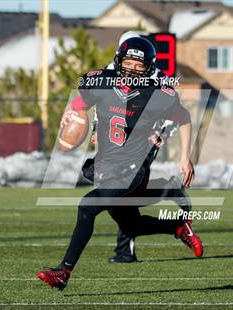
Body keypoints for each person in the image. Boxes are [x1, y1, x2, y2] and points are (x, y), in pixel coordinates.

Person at [37, 37, 203, 291]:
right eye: (128, 63)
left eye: (139, 66)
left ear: (148, 68)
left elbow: (184, 117)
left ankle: (63, 272)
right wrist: (70, 118)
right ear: (118, 61)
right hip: (106, 165)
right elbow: (77, 104)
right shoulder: (101, 82)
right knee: (130, 224)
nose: (133, 70)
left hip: (133, 169)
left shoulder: (158, 94)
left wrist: (184, 157)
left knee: (87, 207)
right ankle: (177, 227)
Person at [84, 31, 190, 263]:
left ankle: (125, 250)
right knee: (117, 192)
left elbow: (176, 113)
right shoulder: (112, 71)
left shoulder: (157, 78)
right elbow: (101, 104)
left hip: (143, 142)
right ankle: (168, 190)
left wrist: (158, 133)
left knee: (122, 191)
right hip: (113, 142)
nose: (129, 65)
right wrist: (95, 129)